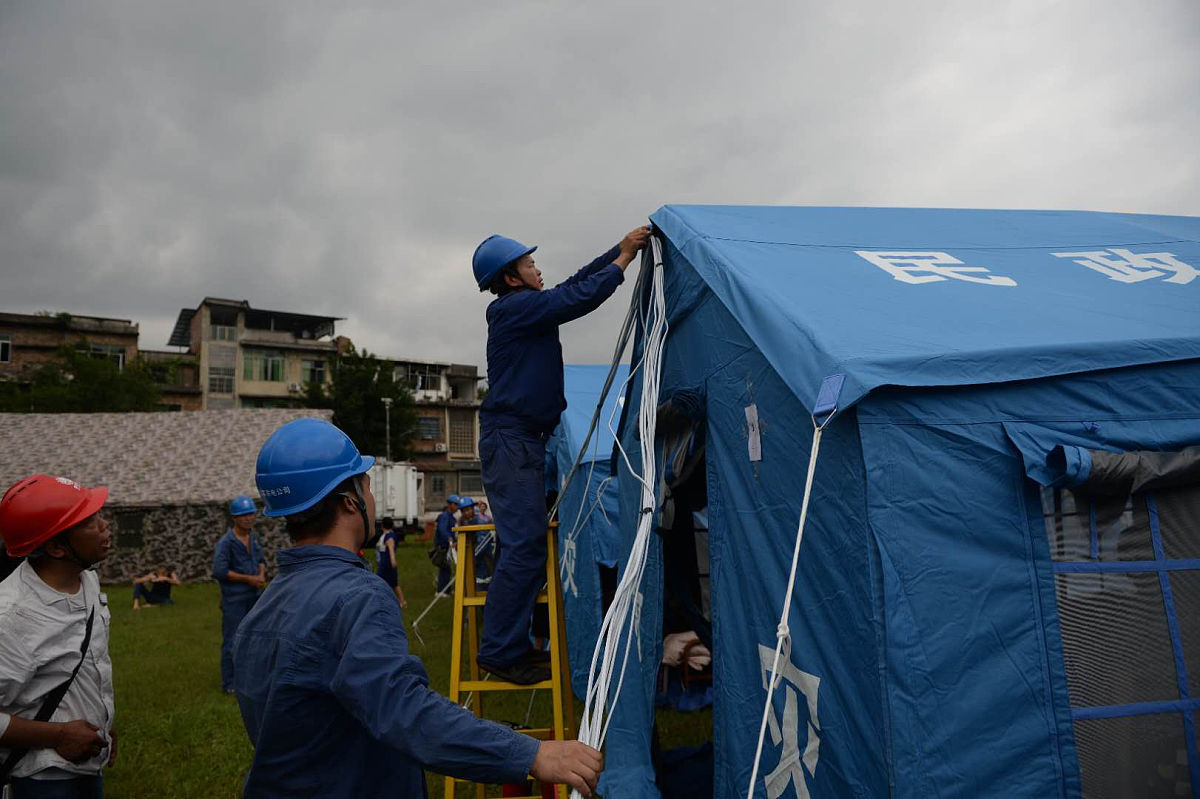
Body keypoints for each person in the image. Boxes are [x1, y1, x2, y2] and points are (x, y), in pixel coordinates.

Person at [232, 418, 603, 797]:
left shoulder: (262, 608)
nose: (373, 500)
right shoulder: (357, 596)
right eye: (367, 486)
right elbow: (406, 712)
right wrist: (531, 754)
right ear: (350, 502)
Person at [471, 226, 650, 684]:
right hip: (512, 442)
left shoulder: (525, 307)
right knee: (524, 545)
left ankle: (513, 644)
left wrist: (620, 249)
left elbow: (572, 286)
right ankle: (499, 650)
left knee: (530, 545)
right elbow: (576, 299)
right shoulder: (514, 310)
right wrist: (624, 262)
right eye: (529, 265)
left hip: (527, 440)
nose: (538, 269)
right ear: (511, 279)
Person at [0, 475, 117, 797]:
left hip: (84, 764)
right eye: (90, 521)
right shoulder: (10, 617)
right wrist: (59, 735)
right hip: (40, 779)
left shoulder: (87, 581)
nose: (105, 525)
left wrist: (103, 720)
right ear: (55, 547)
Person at [212, 495, 266, 694]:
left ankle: (251, 677)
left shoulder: (253, 537)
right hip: (234, 598)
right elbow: (219, 571)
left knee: (255, 638)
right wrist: (249, 579)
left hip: (255, 595)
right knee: (232, 640)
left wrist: (260, 574)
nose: (248, 518)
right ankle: (230, 683)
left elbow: (260, 558)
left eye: (251, 513)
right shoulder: (226, 543)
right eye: (243, 515)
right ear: (234, 518)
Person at [374, 517, 407, 608]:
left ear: (382, 525)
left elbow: (391, 547)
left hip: (387, 564)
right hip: (383, 563)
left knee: (391, 583)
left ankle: (402, 601)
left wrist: (392, 559)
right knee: (392, 584)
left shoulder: (389, 536)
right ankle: (401, 601)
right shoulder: (385, 535)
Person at [433, 494, 459, 594]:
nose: (457, 507)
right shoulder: (445, 516)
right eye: (455, 504)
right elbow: (442, 529)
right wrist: (449, 539)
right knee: (445, 568)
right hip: (443, 546)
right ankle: (441, 591)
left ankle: (446, 590)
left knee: (447, 569)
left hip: (448, 545)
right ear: (450, 504)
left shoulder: (450, 517)